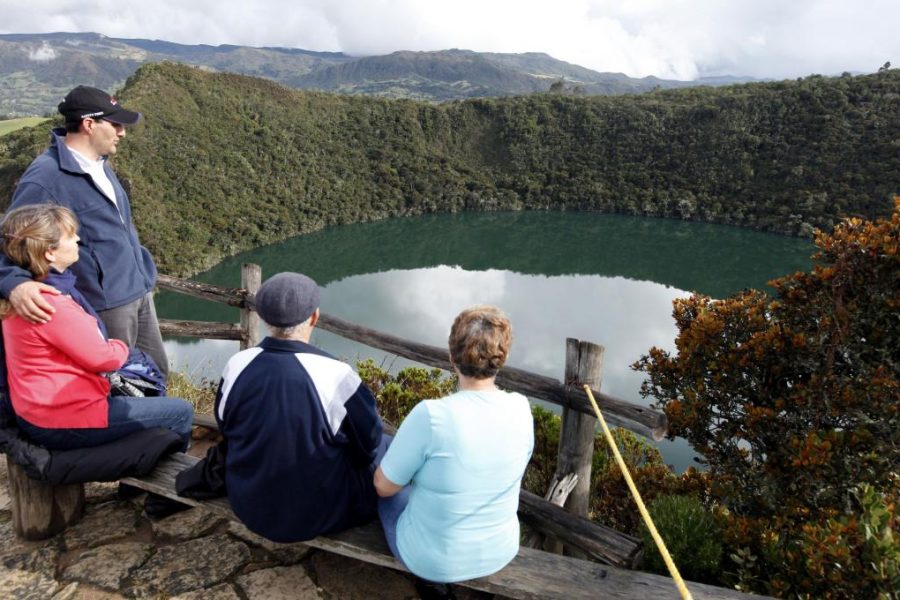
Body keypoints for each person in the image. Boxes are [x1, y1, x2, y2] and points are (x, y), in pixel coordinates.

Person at [198, 271, 384, 543]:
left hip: (249, 503)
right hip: (320, 513)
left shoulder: (238, 364)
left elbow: (226, 424)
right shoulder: (337, 375)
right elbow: (369, 444)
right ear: (314, 317)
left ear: (262, 318)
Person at [0, 85, 169, 378]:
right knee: (120, 384)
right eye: (115, 124)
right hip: (105, 304)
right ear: (89, 124)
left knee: (156, 374)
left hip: (137, 290)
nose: (122, 132)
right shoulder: (45, 180)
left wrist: (143, 268)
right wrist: (14, 283)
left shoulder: (100, 165)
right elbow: (11, 239)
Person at [0, 204, 193, 451]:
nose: (78, 239)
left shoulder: (29, 293)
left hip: (40, 408)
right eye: (71, 236)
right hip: (64, 417)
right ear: (49, 252)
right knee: (181, 412)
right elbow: (103, 358)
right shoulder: (51, 302)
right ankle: (168, 479)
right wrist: (121, 346)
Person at [374, 305, 534, 597]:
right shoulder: (521, 408)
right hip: (500, 550)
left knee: (387, 491)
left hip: (431, 559)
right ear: (503, 357)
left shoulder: (432, 416)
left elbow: (384, 488)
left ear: (452, 356)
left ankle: (431, 585)